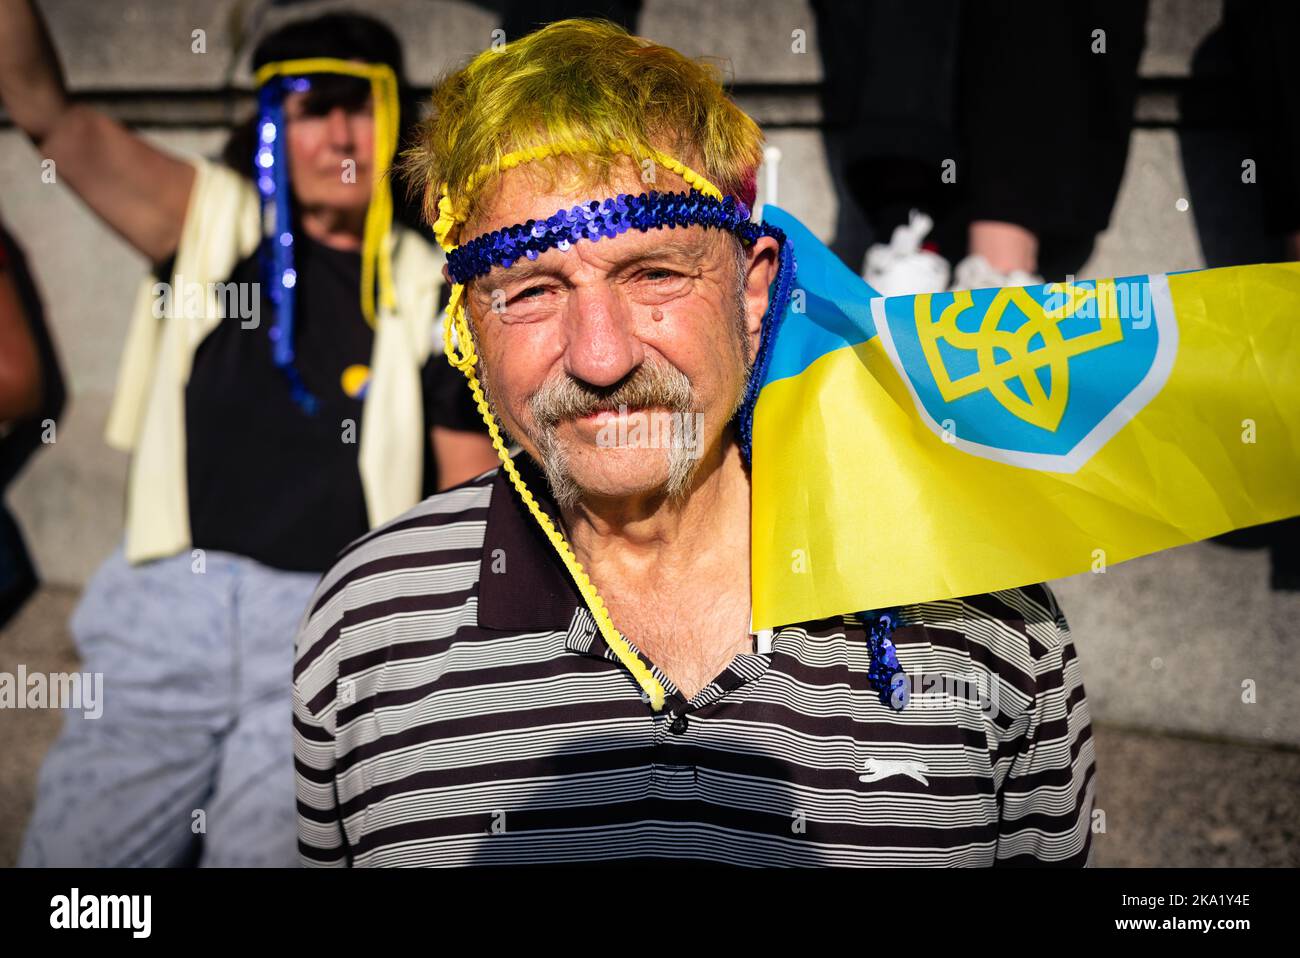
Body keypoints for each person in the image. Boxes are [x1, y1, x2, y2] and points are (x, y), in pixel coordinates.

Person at [292, 17, 1096, 866]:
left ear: (753, 293)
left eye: (655, 274)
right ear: (465, 332)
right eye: (531, 290)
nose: (601, 357)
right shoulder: (366, 629)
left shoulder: (977, 613)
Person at [0, 3, 497, 866]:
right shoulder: (210, 224)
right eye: (313, 106)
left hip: (329, 629)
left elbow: (466, 499)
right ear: (274, 124)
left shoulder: (436, 283)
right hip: (167, 612)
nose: (341, 131)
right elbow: (44, 110)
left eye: (363, 104)